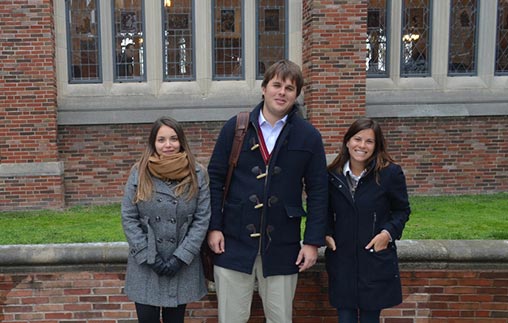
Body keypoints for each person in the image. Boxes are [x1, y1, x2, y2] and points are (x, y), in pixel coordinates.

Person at [207, 59, 328, 323]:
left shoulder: (309, 136)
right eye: (276, 85)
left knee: (280, 319)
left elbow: (319, 192)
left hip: (283, 245)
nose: (281, 92)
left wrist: (312, 241)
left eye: (290, 88)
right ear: (264, 88)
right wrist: (214, 226)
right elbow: (215, 180)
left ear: (297, 95)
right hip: (233, 240)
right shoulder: (235, 128)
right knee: (231, 319)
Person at [121, 116, 211, 323]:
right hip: (145, 264)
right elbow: (128, 216)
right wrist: (148, 257)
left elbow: (202, 218)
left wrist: (180, 258)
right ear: (153, 143)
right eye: (161, 140)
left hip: (181, 263)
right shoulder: (139, 172)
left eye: (173, 139)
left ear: (181, 142)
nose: (168, 145)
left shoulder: (197, 173)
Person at [325, 118, 411, 323]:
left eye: (369, 141)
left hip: (374, 259)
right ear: (347, 141)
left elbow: (402, 211)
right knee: (345, 317)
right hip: (342, 259)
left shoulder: (390, 173)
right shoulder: (331, 175)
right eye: (357, 139)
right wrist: (326, 233)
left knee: (370, 318)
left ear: (376, 145)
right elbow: (323, 209)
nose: (362, 146)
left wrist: (386, 234)